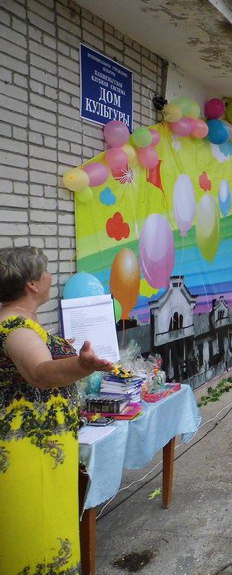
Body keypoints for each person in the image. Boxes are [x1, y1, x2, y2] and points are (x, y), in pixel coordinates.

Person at [0, 246, 115, 574]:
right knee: (37, 543)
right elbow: (40, 373)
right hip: (30, 457)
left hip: (43, 453)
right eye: (47, 271)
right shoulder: (15, 327)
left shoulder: (22, 320)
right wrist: (82, 365)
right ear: (32, 284)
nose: (52, 276)